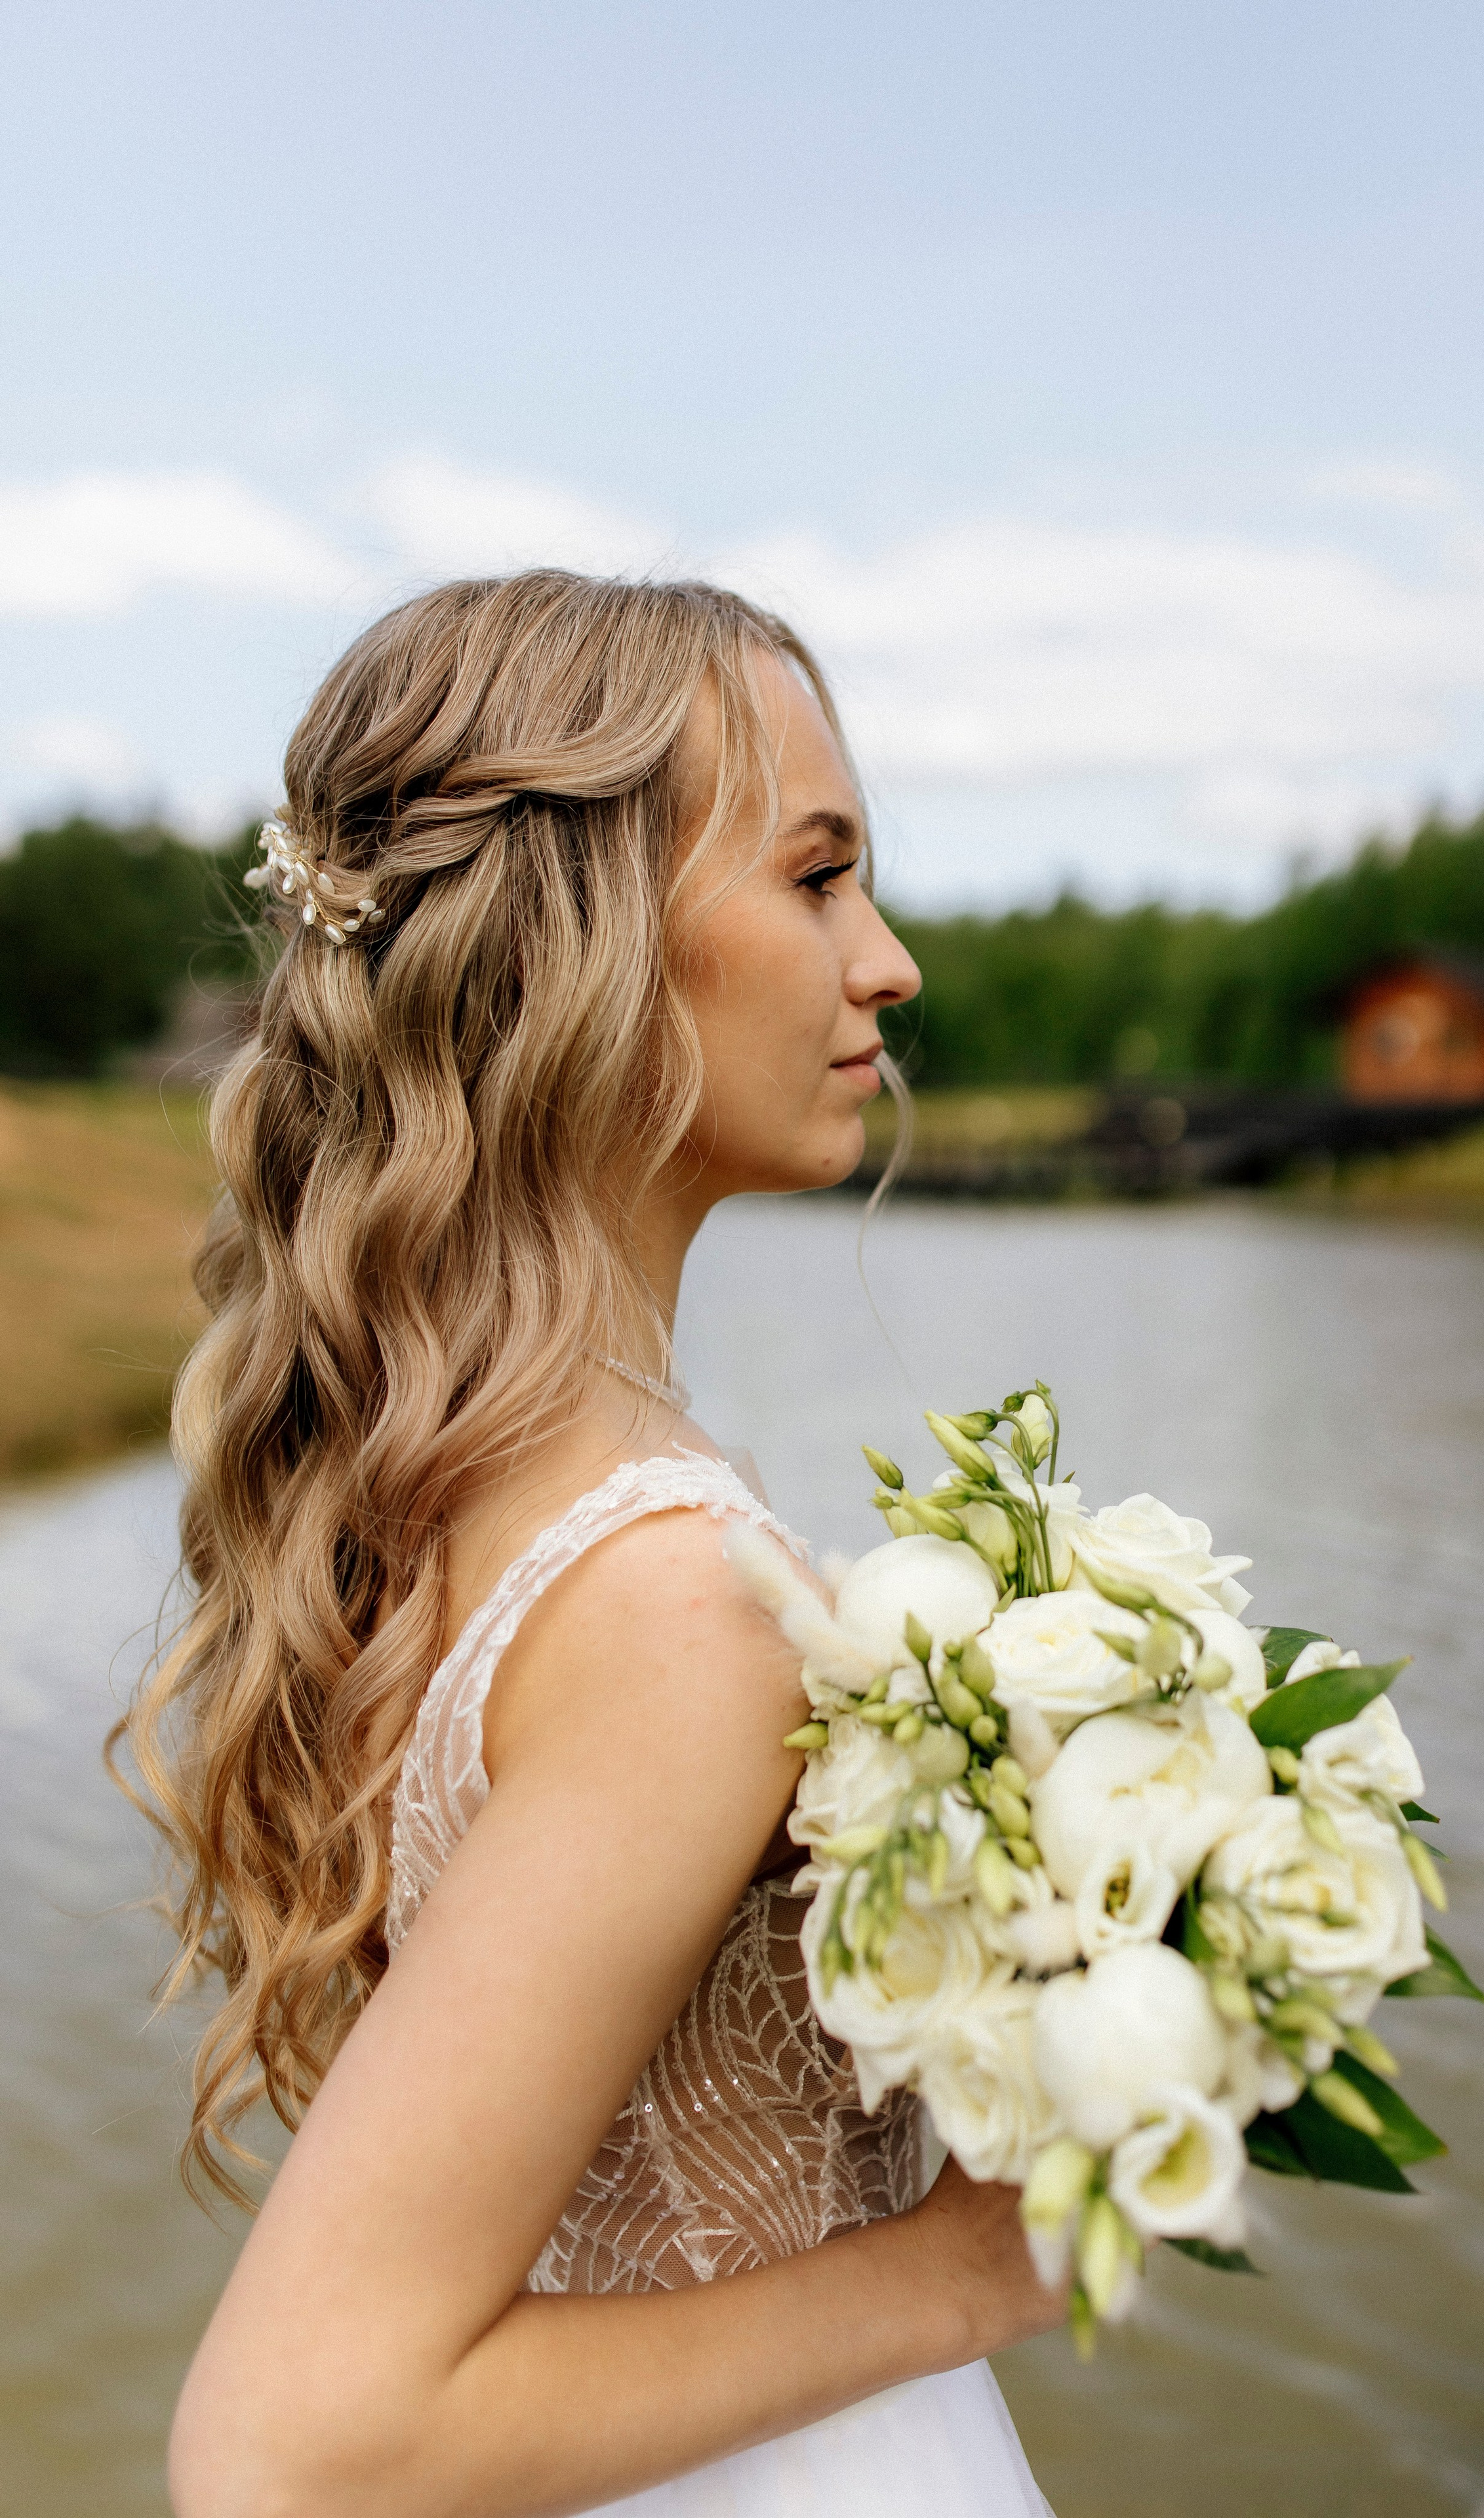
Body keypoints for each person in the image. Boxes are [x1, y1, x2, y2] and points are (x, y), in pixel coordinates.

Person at [120, 571, 1062, 2518]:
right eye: (817, 879)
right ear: (588, 946)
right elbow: (293, 2446)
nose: (886, 964)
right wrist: (979, 2261)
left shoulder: (442, 1493)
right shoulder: (667, 1606)